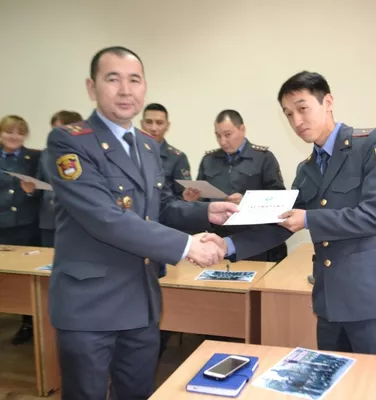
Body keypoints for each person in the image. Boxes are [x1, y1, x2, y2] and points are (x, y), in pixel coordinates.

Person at [44, 46, 238, 400]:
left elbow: (158, 207)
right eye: (112, 79)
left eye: (134, 80)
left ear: (144, 87)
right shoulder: (69, 141)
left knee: (137, 393)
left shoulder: (147, 147)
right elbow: (106, 219)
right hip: (89, 308)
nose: (125, 90)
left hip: (141, 302)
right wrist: (187, 246)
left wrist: (206, 212)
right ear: (91, 87)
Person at [202, 71, 376, 400]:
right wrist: (227, 244)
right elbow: (280, 224)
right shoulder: (307, 168)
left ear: (328, 102)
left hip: (368, 300)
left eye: (302, 108)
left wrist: (309, 218)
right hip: (327, 302)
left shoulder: (371, 144)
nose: (296, 121)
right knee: (335, 391)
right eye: (288, 114)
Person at [195, 109, 287, 262]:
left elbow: (278, 198)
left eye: (227, 134)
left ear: (242, 129)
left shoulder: (263, 158)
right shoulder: (209, 160)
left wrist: (246, 201)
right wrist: (193, 199)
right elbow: (202, 202)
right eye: (218, 135)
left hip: (255, 242)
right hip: (218, 242)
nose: (222, 141)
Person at [0, 115, 41, 345]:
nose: (14, 136)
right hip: (1, 224)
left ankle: (28, 323)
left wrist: (31, 192)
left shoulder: (34, 157)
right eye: (9, 131)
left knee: (26, 279)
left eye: (20, 132)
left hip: (25, 226)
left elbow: (44, 190)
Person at [37, 110, 83, 248]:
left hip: (75, 216)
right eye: (54, 129)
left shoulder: (84, 152)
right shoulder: (46, 153)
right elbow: (40, 179)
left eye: (61, 129)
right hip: (49, 217)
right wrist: (30, 189)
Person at [140, 103, 192, 199]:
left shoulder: (177, 158)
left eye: (159, 123)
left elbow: (184, 198)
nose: (153, 128)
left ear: (167, 126)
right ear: (142, 124)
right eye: (149, 122)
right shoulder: (131, 152)